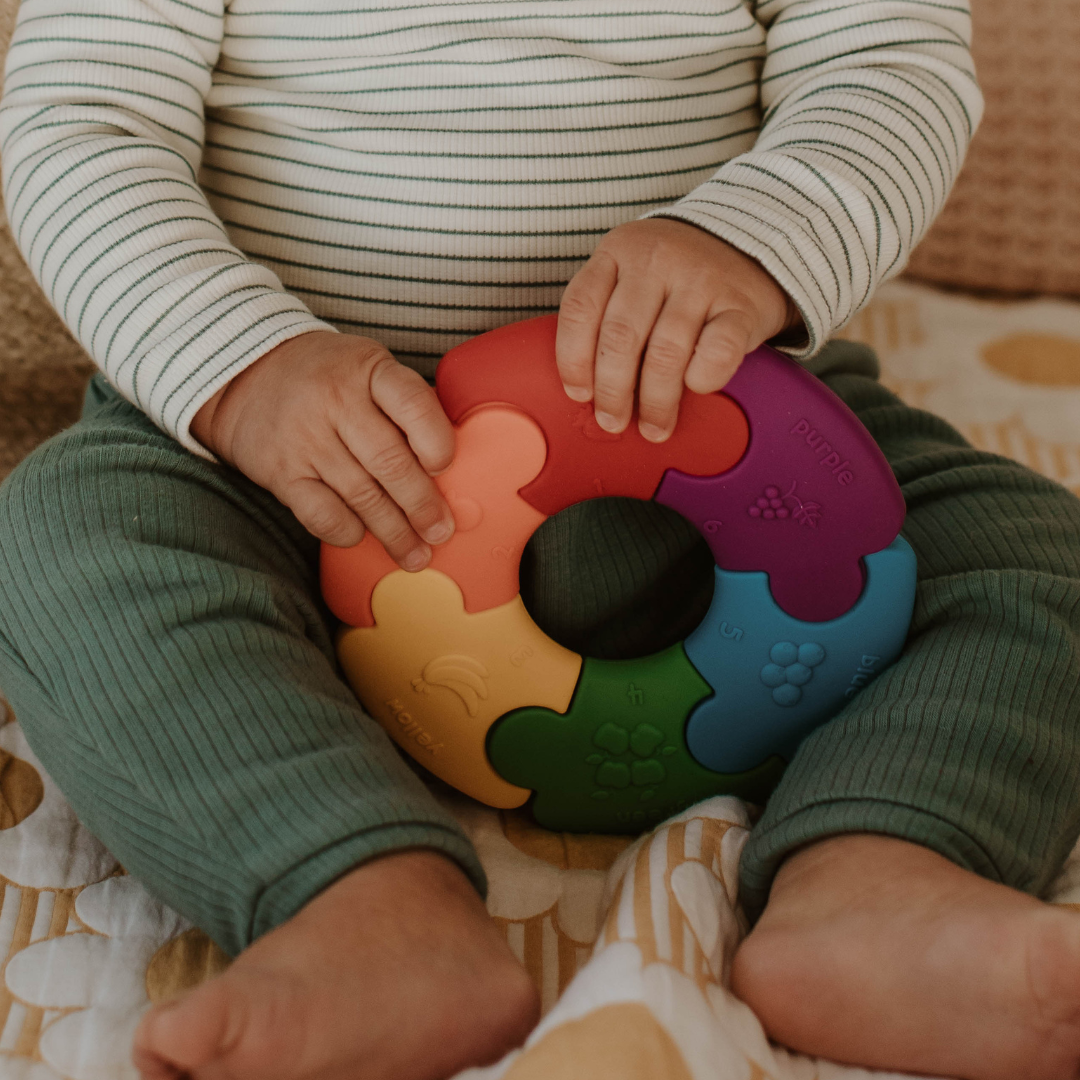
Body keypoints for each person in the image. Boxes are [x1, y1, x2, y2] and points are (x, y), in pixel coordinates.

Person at [1, 1, 1079, 1078]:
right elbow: (84, 119)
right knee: (71, 537)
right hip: (303, 461)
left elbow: (886, 61)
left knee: (1030, 558)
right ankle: (358, 903)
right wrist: (240, 369)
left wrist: (753, 238)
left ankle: (879, 877)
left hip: (723, 429)